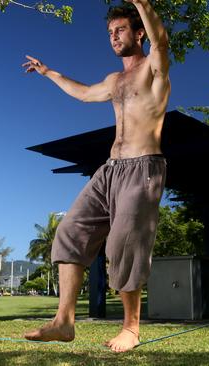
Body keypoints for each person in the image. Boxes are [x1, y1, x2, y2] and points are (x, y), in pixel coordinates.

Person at [22, 0, 170, 353]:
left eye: (120, 30)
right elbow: (86, 94)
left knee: (123, 243)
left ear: (138, 33)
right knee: (71, 232)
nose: (114, 37)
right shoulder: (114, 80)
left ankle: (131, 328)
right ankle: (63, 323)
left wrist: (143, 5)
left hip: (143, 166)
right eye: (109, 32)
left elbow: (162, 43)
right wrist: (50, 73)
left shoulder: (154, 67)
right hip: (110, 169)